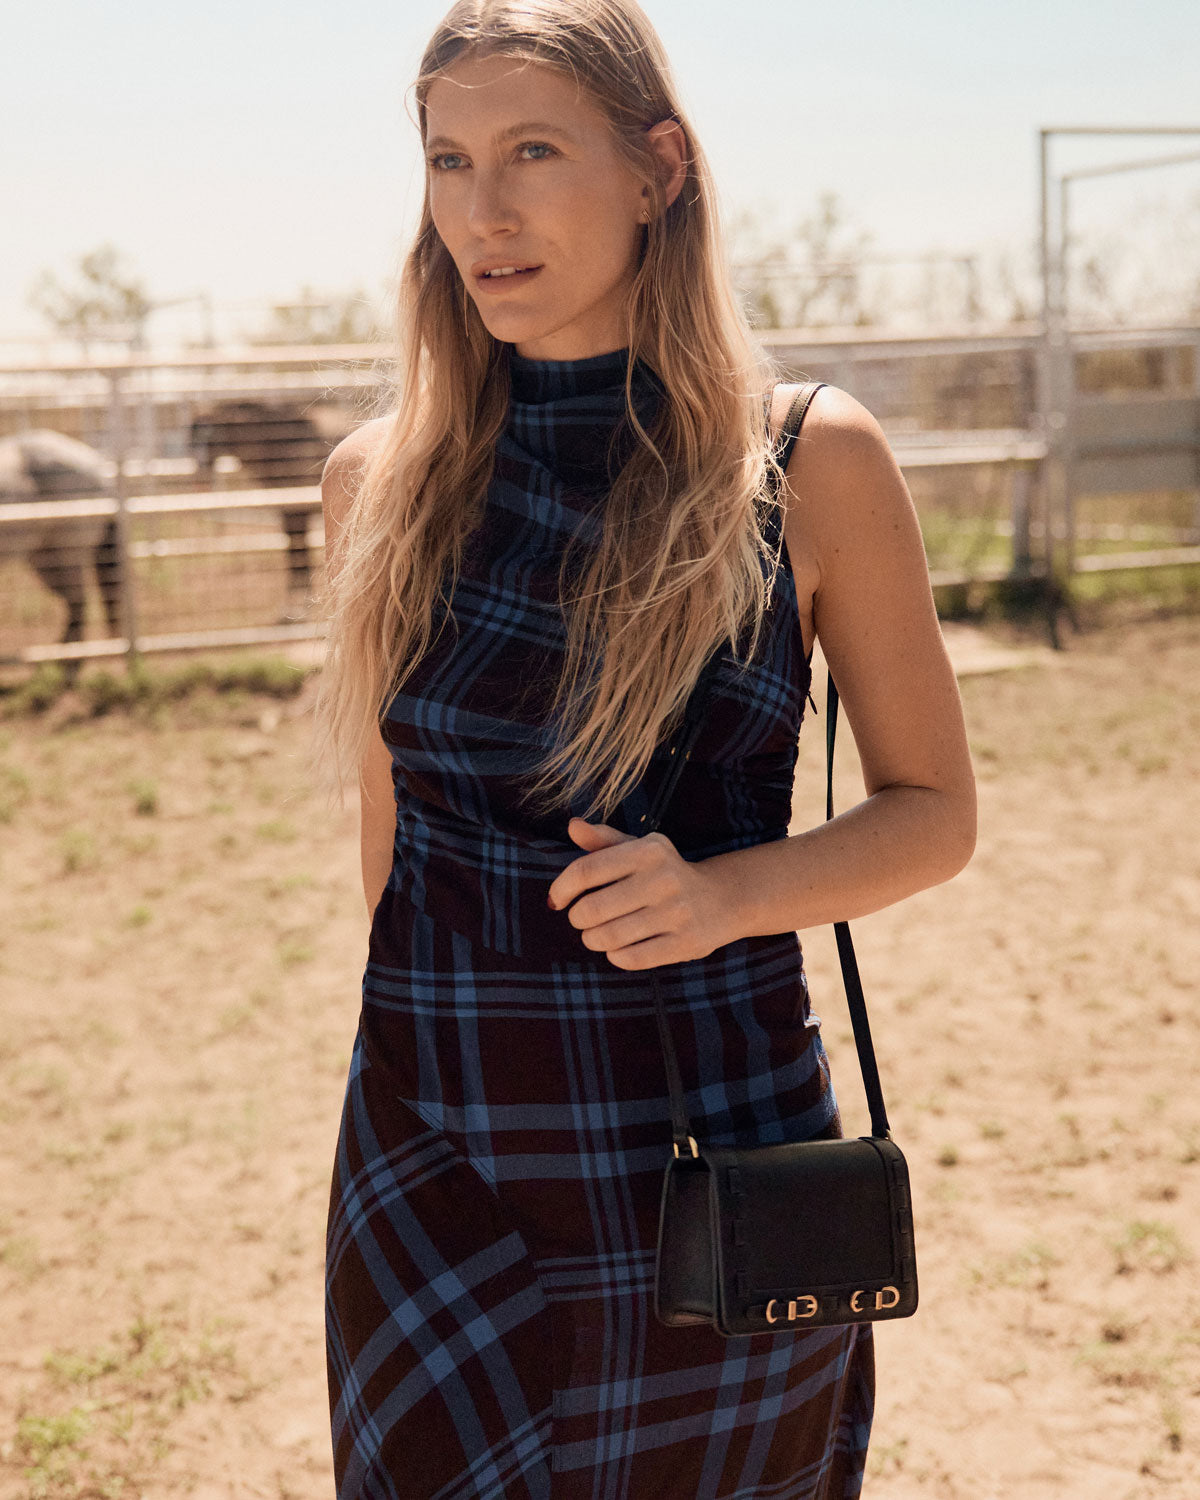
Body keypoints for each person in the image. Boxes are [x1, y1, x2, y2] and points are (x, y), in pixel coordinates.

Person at [310, 2, 977, 1495]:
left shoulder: (809, 459)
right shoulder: (378, 481)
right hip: (436, 1154)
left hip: (712, 1153)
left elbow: (936, 815)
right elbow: (389, 851)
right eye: (448, 158)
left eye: (534, 150)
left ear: (657, 168)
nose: (483, 208)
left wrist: (724, 896)